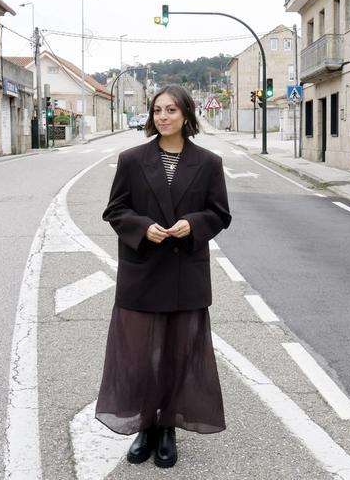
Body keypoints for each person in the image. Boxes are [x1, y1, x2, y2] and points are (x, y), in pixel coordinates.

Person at [96, 85, 232, 469]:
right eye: (158, 110)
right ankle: (145, 425)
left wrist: (192, 223)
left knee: (178, 353)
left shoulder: (208, 163)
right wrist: (142, 227)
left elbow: (220, 214)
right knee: (140, 354)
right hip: (142, 272)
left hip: (184, 273)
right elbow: (115, 210)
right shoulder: (132, 159)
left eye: (171, 110)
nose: (164, 116)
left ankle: (168, 425)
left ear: (186, 115)